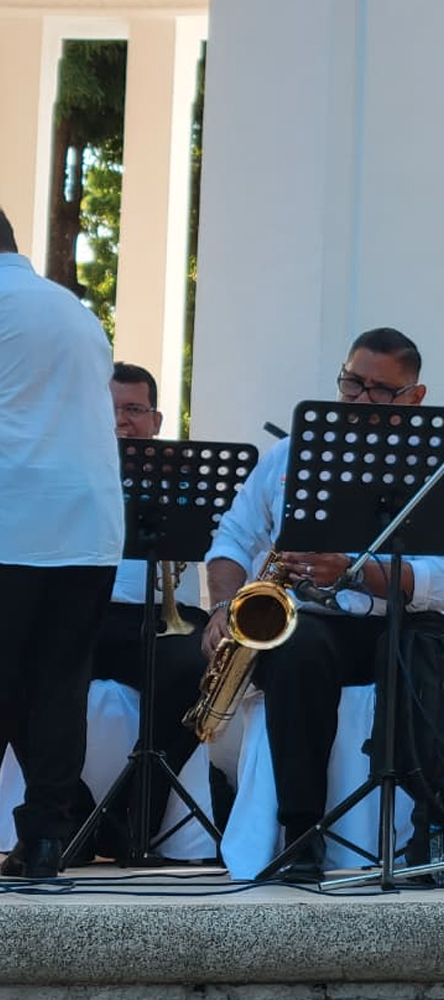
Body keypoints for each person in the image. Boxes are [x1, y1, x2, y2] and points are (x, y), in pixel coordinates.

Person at [201, 327, 444, 882]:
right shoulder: (289, 454)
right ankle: (300, 834)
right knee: (298, 651)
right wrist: (225, 607)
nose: (360, 400)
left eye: (380, 390)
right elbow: (231, 538)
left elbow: (443, 580)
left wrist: (355, 572)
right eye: (352, 383)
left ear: (415, 399)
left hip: (403, 622)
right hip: (315, 622)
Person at [0, 207, 124, 879]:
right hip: (87, 526)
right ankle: (45, 840)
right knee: (57, 685)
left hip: (12, 519)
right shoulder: (73, 310)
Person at [74, 363, 215, 855]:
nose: (121, 421)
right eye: (109, 409)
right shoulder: (68, 471)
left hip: (158, 619)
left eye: (133, 409)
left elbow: (218, 541)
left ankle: (135, 813)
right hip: (83, 616)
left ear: (155, 421)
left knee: (201, 667)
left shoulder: (180, 476)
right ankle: (74, 812)